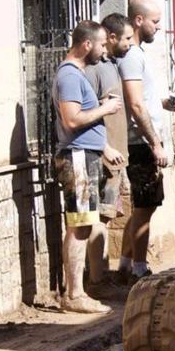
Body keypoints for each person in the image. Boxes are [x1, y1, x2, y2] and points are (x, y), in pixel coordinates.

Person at [52, 21, 124, 313]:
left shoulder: (77, 75)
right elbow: (71, 120)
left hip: (86, 155)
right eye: (102, 45)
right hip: (78, 157)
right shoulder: (69, 76)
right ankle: (74, 294)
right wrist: (104, 109)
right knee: (80, 224)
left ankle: (75, 292)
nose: (105, 50)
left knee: (81, 223)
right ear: (86, 45)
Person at [119, 0, 175, 280]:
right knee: (145, 205)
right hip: (140, 142)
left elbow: (143, 99)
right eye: (155, 21)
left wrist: (163, 102)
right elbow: (135, 104)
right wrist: (155, 143)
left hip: (144, 139)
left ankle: (124, 263)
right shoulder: (131, 55)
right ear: (139, 20)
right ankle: (138, 269)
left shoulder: (137, 53)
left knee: (144, 205)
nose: (158, 27)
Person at [83, 13, 134, 288]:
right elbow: (85, 112)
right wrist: (104, 148)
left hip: (115, 157)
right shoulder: (95, 69)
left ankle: (101, 276)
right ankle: (97, 279)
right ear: (111, 38)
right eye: (126, 38)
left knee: (105, 216)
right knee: (98, 218)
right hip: (103, 156)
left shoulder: (112, 64)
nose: (129, 44)